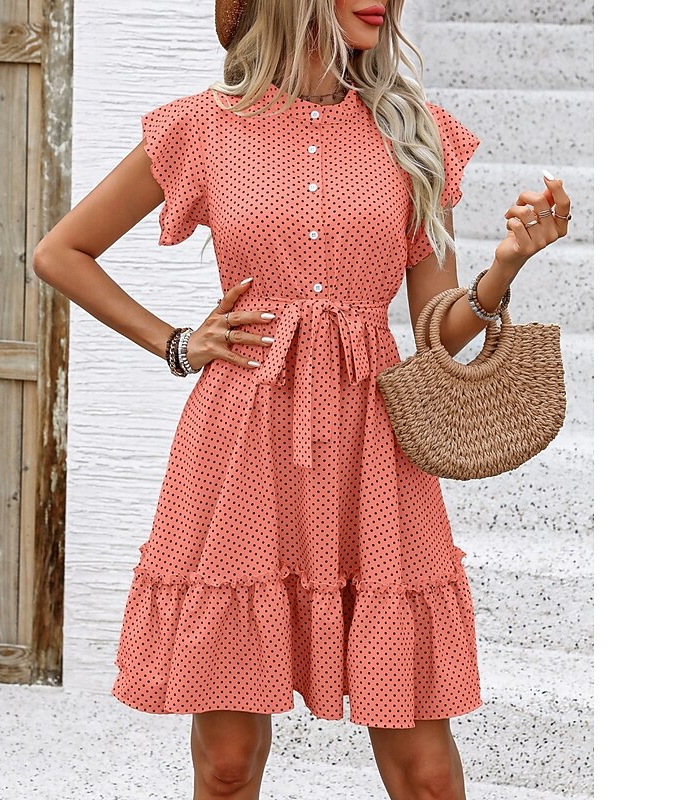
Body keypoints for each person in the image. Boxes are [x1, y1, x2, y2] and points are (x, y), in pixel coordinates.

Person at [32, 1, 572, 797]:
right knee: (226, 764)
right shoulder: (201, 126)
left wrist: (504, 270)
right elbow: (60, 252)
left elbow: (438, 331)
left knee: (424, 769)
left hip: (372, 447)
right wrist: (177, 343)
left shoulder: (414, 133)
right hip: (240, 444)